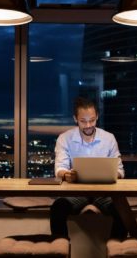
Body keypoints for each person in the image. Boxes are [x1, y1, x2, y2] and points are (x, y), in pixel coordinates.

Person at [50, 97, 127, 239]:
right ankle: (62, 249)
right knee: (57, 208)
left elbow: (120, 170)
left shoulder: (109, 138)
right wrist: (67, 175)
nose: (88, 125)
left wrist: (113, 174)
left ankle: (114, 250)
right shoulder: (64, 138)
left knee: (122, 212)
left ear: (97, 116)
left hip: (104, 192)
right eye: (83, 121)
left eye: (92, 120)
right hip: (76, 192)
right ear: (75, 119)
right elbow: (59, 168)